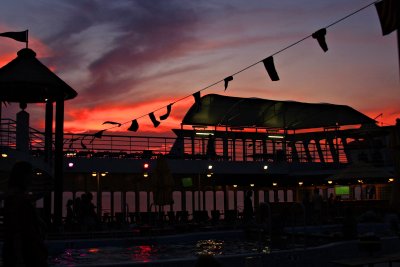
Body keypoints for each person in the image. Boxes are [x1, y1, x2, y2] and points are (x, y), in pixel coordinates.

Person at [2, 161, 48, 267]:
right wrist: (19, 260)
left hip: (26, 254)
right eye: (30, 174)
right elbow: (16, 231)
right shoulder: (18, 200)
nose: (32, 178)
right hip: (27, 255)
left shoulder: (16, 199)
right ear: (23, 176)